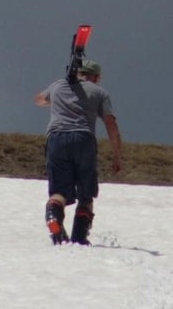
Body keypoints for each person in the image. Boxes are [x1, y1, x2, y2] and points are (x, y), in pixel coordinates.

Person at [34, 59, 123, 245]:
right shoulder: (100, 92)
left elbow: (39, 99)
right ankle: (80, 237)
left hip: (56, 139)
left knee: (59, 191)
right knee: (86, 194)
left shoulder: (58, 85)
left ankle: (53, 216)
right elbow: (110, 122)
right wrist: (117, 155)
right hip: (84, 140)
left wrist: (59, 98)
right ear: (95, 77)